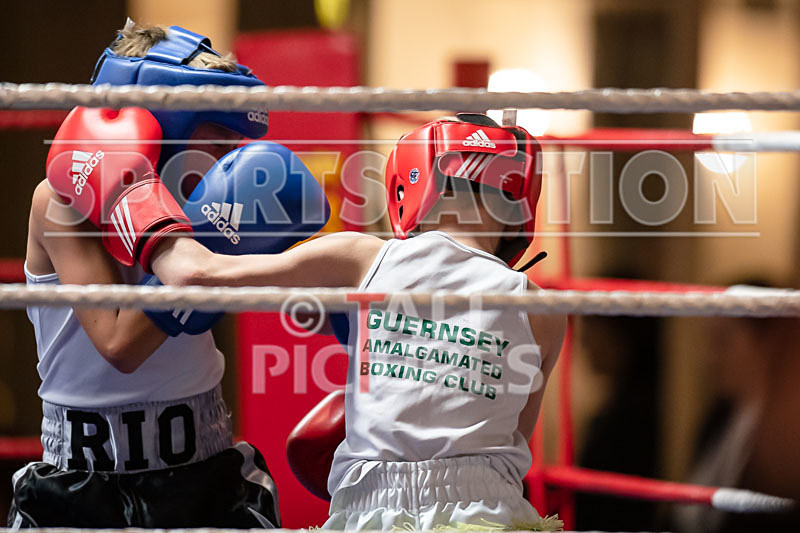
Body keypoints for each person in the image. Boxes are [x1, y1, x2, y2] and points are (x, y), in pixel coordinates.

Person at [55, 111, 567, 530]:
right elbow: (509, 443)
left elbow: (192, 276)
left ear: (413, 184)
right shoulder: (543, 311)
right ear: (521, 202)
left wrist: (130, 191)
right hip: (495, 512)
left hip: (376, 512)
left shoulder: (363, 257)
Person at [12, 21, 327, 529]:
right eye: (217, 131)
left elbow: (309, 290)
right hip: (80, 477)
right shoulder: (61, 202)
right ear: (159, 118)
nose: (233, 153)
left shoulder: (213, 203)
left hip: (200, 466)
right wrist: (204, 257)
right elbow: (118, 344)